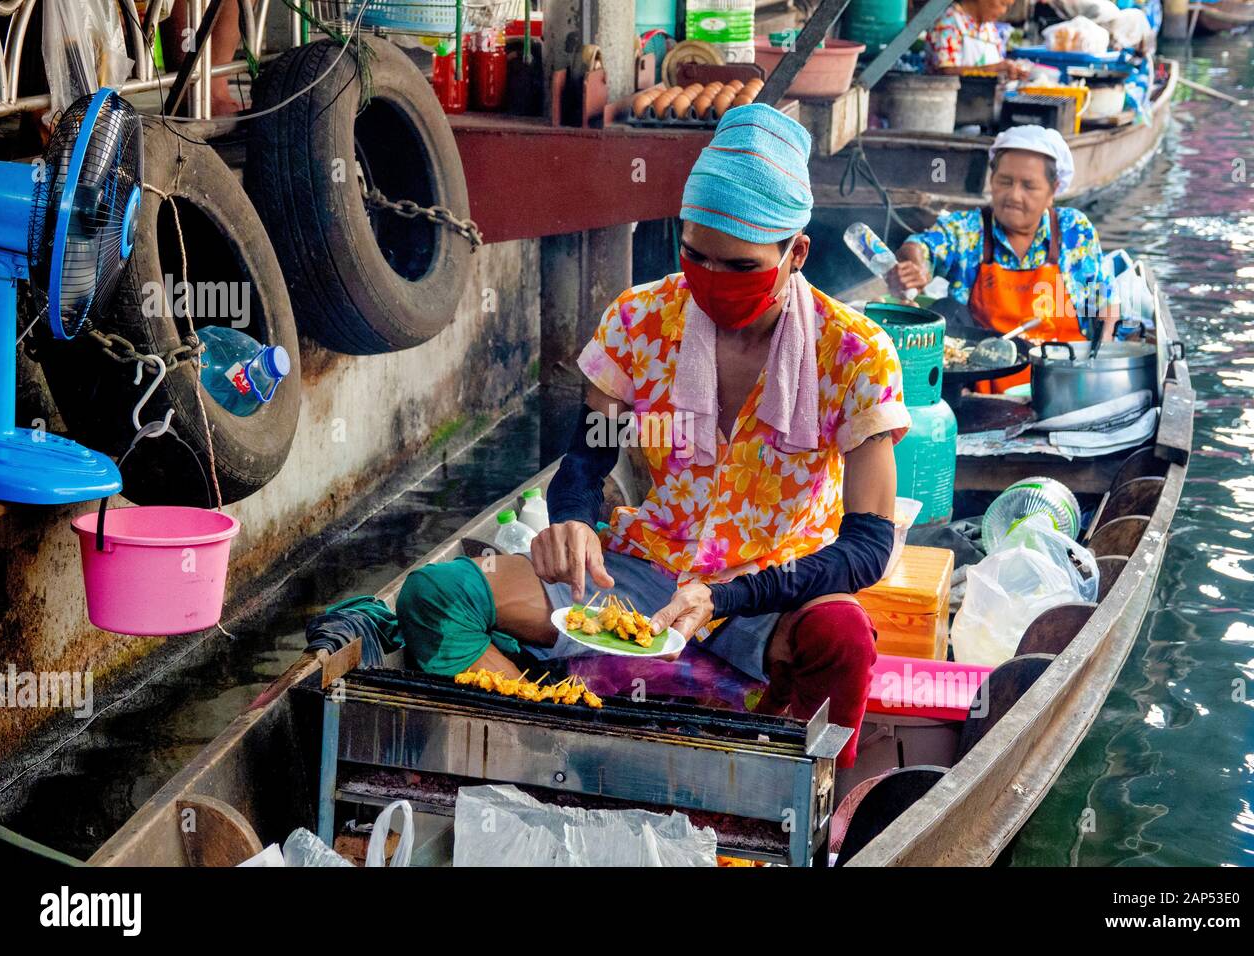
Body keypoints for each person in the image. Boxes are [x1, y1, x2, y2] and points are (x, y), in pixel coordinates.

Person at [389, 104, 911, 770]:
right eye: (695, 257)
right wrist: (573, 521)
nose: (711, 282)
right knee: (436, 595)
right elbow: (586, 460)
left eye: (739, 266)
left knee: (844, 636)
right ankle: (548, 737)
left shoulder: (855, 353)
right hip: (641, 574)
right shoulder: (640, 321)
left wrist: (725, 596)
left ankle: (806, 801)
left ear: (796, 254)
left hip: (771, 589)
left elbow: (867, 546)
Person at [888, 125, 1118, 391]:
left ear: (1052, 191)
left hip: (1062, 382)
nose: (1013, 195)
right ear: (992, 180)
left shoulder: (1074, 231)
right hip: (982, 383)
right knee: (945, 309)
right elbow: (919, 246)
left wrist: (1102, 360)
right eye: (1004, 181)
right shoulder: (968, 229)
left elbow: (1103, 302)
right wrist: (913, 268)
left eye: (1029, 186)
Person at [925, 0, 1032, 80]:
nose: (1003, 11)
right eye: (1002, 4)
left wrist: (1011, 71)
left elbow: (998, 65)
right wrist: (995, 69)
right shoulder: (947, 24)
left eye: (1008, 7)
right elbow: (946, 72)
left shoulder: (989, 28)